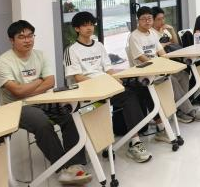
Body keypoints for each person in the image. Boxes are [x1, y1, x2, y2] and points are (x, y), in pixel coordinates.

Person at [0, 20, 92, 185]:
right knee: (41, 121)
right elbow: (17, 92)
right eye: (22, 37)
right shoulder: (2, 62)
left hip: (43, 100)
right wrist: (40, 80)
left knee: (70, 115)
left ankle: (75, 163)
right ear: (12, 40)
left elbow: (50, 82)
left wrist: (28, 87)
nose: (27, 40)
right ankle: (63, 168)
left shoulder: (40, 55)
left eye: (30, 36)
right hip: (16, 107)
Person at [64, 12, 151, 163]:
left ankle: (135, 142)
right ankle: (98, 143)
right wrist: (103, 84)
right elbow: (78, 78)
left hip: (105, 89)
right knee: (97, 107)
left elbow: (109, 70)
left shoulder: (99, 45)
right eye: (84, 25)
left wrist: (116, 80)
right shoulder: (71, 50)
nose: (89, 28)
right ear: (77, 28)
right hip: (88, 95)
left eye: (91, 24)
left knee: (130, 95)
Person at [127, 7, 200, 130]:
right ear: (138, 20)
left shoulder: (152, 33)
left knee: (183, 74)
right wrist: (159, 67)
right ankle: (189, 110)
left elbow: (162, 52)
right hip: (145, 73)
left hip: (158, 69)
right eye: (144, 19)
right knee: (171, 80)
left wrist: (168, 65)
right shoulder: (134, 36)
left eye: (149, 18)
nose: (147, 21)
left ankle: (179, 108)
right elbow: (141, 57)